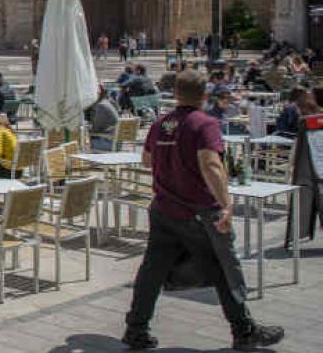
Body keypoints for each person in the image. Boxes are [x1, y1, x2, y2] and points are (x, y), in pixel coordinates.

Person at [122, 69, 284, 351]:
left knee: (152, 270)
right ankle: (244, 331)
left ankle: (136, 329)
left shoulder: (161, 123)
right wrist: (226, 204)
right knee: (223, 266)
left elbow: (147, 159)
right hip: (197, 211)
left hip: (163, 208)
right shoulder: (204, 124)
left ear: (175, 94)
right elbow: (210, 163)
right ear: (204, 95)